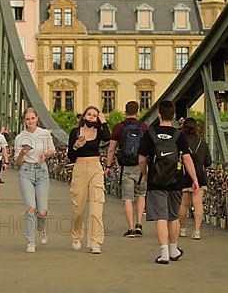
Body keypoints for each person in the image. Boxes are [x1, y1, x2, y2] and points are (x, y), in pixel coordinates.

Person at [138, 100, 199, 265]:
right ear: (173, 116)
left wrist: (145, 174)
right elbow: (186, 158)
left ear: (158, 115)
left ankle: (164, 253)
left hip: (156, 181)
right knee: (173, 217)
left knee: (161, 217)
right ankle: (174, 249)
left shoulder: (150, 133)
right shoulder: (179, 135)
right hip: (175, 181)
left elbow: (142, 159)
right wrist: (194, 180)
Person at [67, 106, 111, 254]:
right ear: (84, 116)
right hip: (79, 167)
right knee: (78, 208)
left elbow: (107, 137)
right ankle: (77, 235)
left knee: (96, 207)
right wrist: (75, 146)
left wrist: (104, 122)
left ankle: (95, 242)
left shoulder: (99, 132)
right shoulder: (75, 132)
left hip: (95, 168)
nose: (91, 117)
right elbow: (70, 156)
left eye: (94, 115)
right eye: (89, 114)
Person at [14, 108, 55, 253]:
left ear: (37, 118)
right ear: (24, 121)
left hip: (42, 171)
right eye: (27, 119)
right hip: (26, 172)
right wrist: (22, 153)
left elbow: (52, 150)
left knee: (42, 211)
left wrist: (46, 154)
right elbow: (17, 162)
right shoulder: (20, 137)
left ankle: (42, 228)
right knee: (30, 207)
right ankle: (30, 241)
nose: (30, 121)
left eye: (32, 118)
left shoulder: (44, 134)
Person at [106, 101, 148, 238]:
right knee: (141, 195)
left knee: (128, 198)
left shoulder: (118, 127)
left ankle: (130, 228)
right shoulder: (144, 127)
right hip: (141, 167)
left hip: (126, 167)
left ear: (125, 111)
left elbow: (111, 149)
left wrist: (108, 166)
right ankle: (139, 224)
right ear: (138, 112)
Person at [179, 118, 211, 240]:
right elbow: (208, 162)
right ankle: (197, 231)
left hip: (185, 175)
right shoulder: (202, 143)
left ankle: (182, 229)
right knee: (198, 204)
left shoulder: (181, 142)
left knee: (184, 204)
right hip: (200, 176)